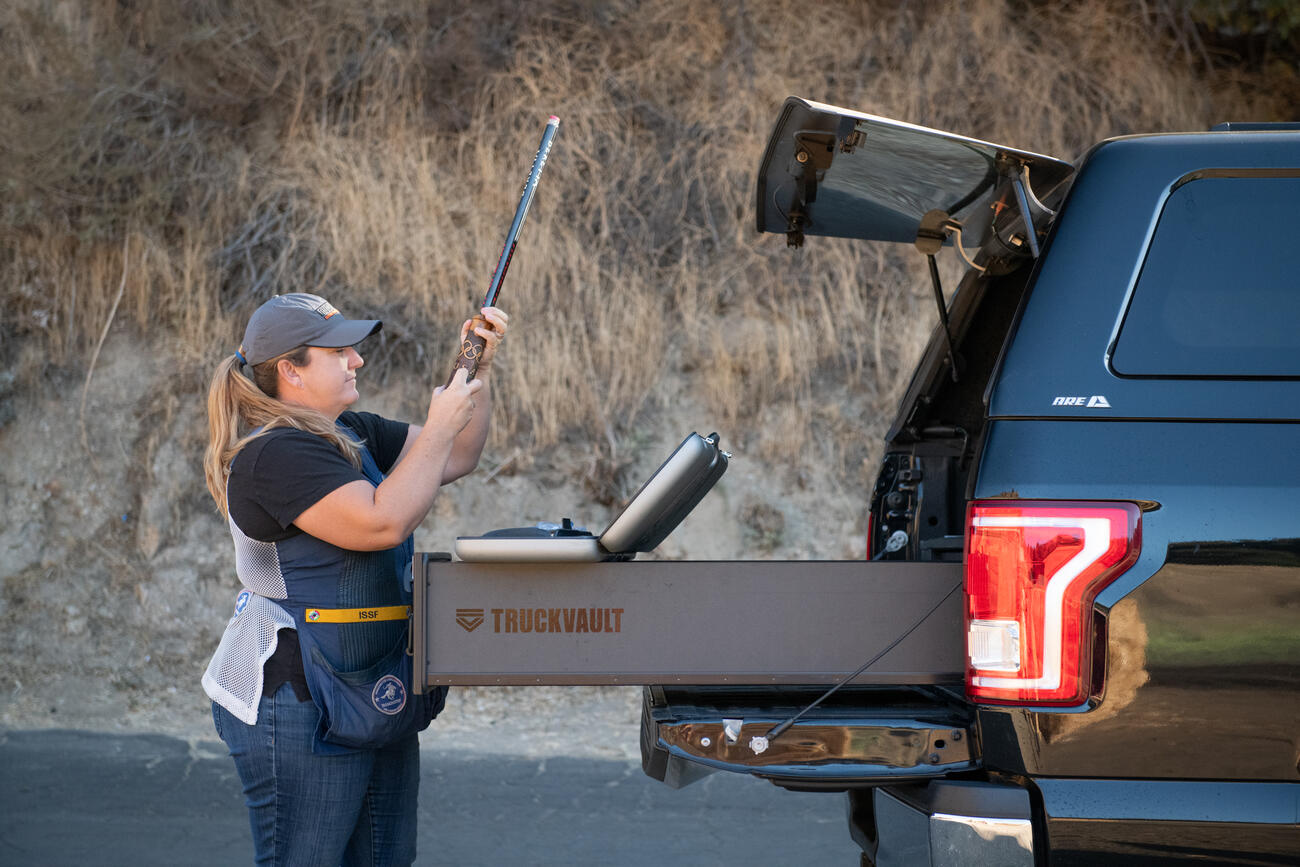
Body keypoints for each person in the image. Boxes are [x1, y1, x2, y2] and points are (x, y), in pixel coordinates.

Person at [200, 292, 507, 865]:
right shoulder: (273, 454)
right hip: (294, 698)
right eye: (338, 350)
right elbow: (380, 522)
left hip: (370, 684)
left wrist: (475, 371)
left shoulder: (349, 430)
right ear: (290, 370)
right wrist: (439, 421)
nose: (356, 360)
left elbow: (458, 453)